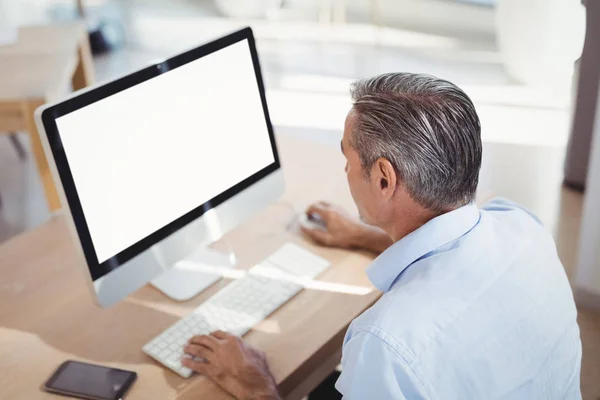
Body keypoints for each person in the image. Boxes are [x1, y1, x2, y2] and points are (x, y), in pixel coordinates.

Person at [180, 73, 582, 399]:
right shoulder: (523, 226)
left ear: (385, 179)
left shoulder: (387, 345)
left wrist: (256, 387)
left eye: (347, 158)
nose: (344, 173)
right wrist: (364, 235)